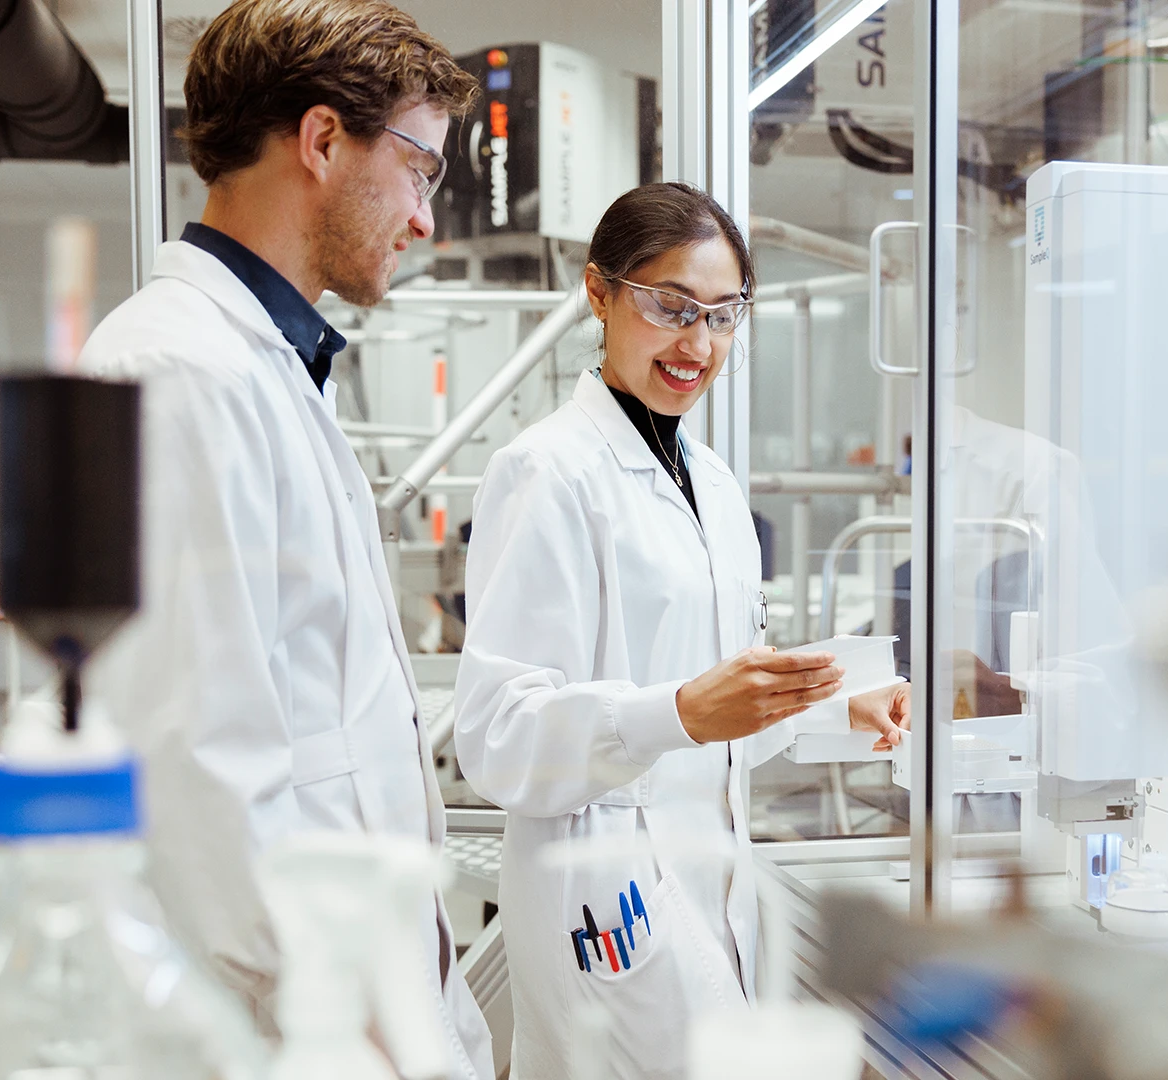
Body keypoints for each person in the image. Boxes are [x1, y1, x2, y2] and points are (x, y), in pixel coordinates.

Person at [76, 1, 493, 1076]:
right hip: (297, 1025)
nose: (424, 220)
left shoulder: (259, 366)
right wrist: (339, 1013)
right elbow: (191, 766)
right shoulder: (175, 375)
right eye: (420, 170)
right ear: (320, 141)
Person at [453, 182, 912, 1080]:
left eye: (723, 316)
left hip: (711, 891)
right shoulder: (549, 474)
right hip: (605, 900)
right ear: (600, 292)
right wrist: (679, 713)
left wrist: (837, 707)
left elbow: (720, 707)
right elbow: (499, 735)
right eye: (670, 307)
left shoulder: (714, 484)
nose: (697, 345)